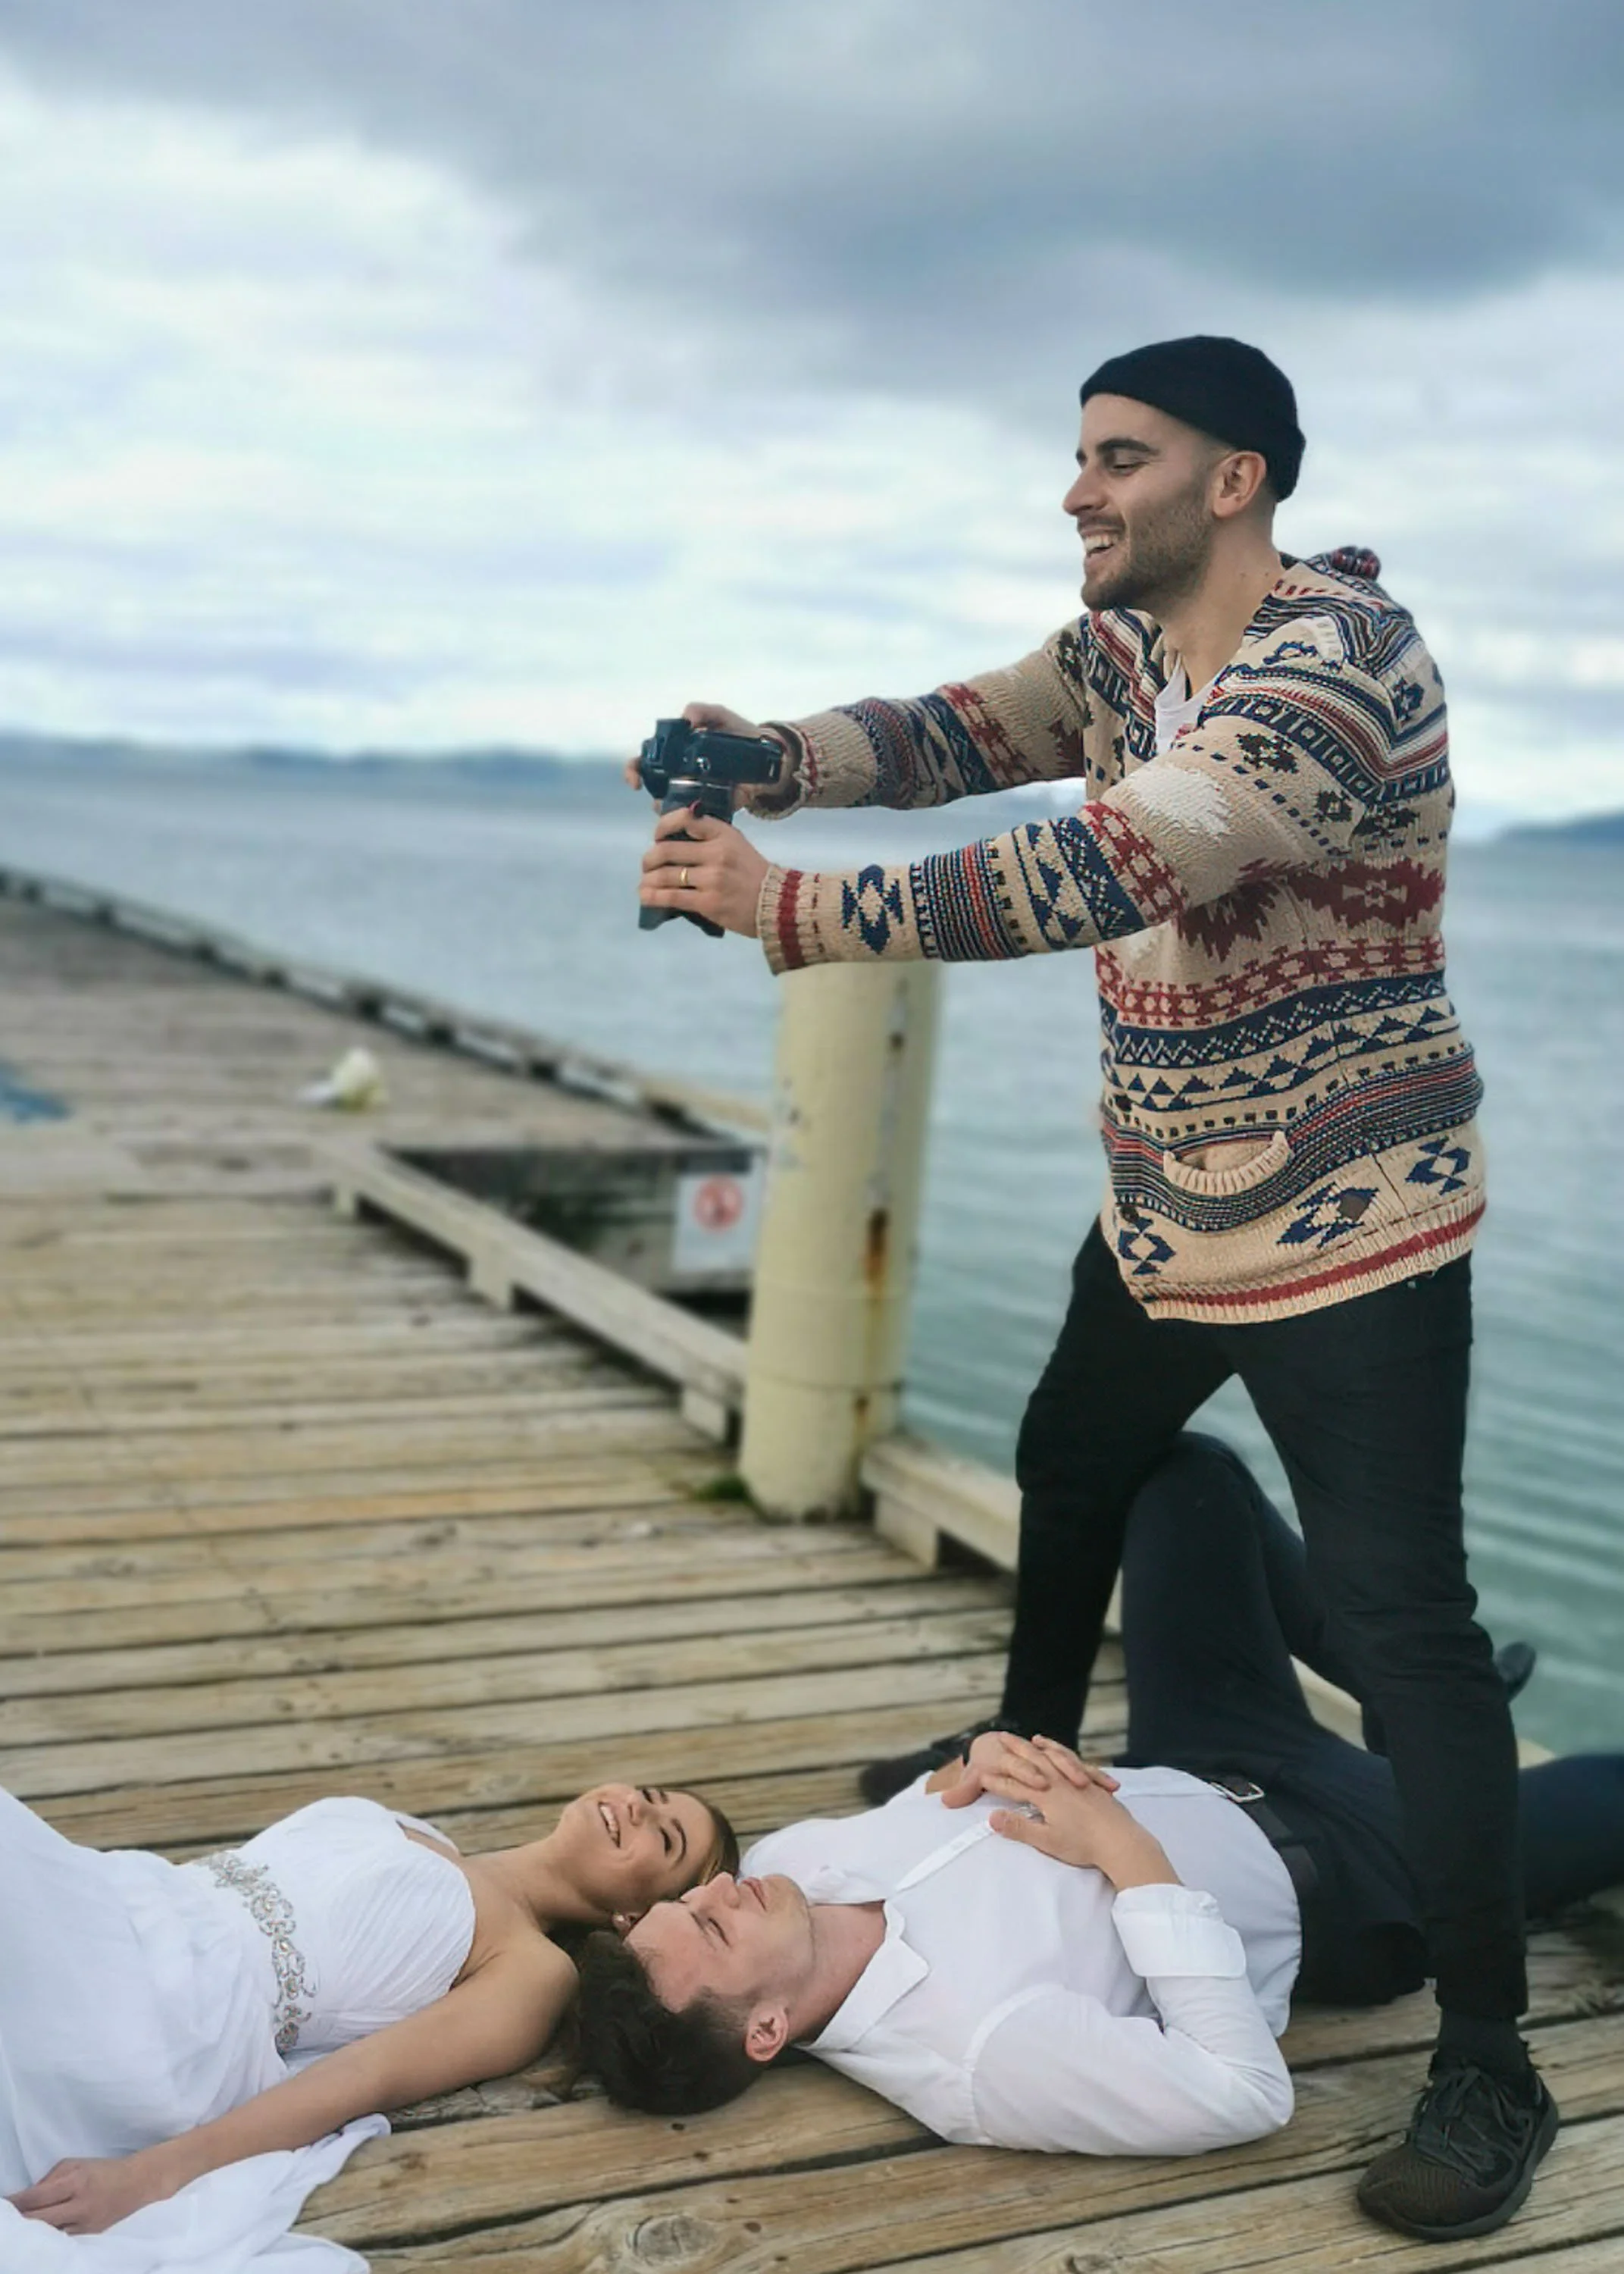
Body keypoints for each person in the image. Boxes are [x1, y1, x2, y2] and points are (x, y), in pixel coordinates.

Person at [631, 334, 1538, 2234]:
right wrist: (768, 757)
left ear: (1235, 478)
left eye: (1117, 458)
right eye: (1074, 456)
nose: (1076, 490)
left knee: (1410, 1622)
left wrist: (789, 905)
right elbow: (959, 737)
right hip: (1165, 1205)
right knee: (1074, 1455)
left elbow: (1112, 863)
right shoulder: (1123, 651)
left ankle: (1487, 2062)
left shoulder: (1336, 670)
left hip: (1351, 1218)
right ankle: (1014, 1754)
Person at [578, 1436, 1624, 2241]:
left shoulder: (782, 1872)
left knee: (1183, 1475)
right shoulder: (980, 2059)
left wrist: (982, 1761)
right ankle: (1442, 1730)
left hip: (1207, 1744)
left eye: (685, 1901)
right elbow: (1241, 2092)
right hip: (1357, 1869)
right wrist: (1120, 1852)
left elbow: (936, 1805)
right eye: (710, 1933)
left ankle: (1408, 1701)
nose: (717, 1892)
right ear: (764, 2033)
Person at [1, 1778, 736, 2257]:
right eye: (650, 1793)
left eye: (664, 1838)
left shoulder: (529, 1972)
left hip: (161, 2011)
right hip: (116, 1898)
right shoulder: (416, 1827)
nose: (638, 1808)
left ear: (637, 1914)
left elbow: (361, 2077)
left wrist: (149, 2176)